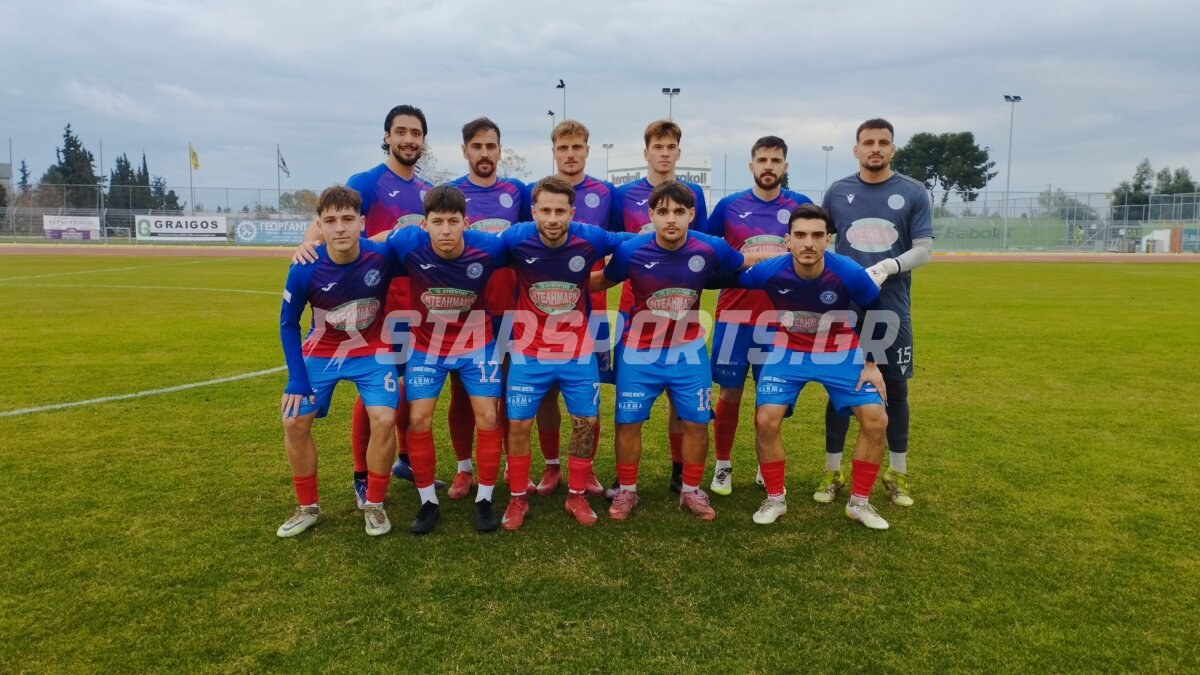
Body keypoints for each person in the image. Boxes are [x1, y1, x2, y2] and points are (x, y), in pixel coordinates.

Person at [299, 104, 437, 503]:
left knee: (407, 387)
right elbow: (328, 219)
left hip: (419, 307)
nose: (408, 139)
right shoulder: (368, 182)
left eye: (415, 133)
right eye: (401, 132)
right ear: (388, 136)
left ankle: (404, 460)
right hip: (378, 309)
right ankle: (362, 475)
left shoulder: (427, 189)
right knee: (373, 392)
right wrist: (307, 247)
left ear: (423, 140)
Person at [732, 204, 892, 530]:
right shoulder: (769, 270)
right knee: (765, 419)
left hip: (840, 350)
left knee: (876, 420)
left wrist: (872, 364)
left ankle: (859, 503)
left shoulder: (848, 272)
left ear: (828, 239)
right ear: (787, 240)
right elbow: (726, 276)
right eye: (801, 235)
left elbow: (877, 310)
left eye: (817, 235)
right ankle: (775, 498)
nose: (809, 243)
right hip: (788, 350)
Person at [592, 181, 743, 521]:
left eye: (679, 211)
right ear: (651, 215)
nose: (671, 218)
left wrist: (792, 258)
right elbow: (601, 281)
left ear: (691, 214)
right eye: (663, 212)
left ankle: (691, 490)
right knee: (628, 422)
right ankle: (627, 490)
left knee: (696, 422)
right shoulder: (631, 250)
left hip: (688, 351)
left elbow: (744, 263)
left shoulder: (711, 247)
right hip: (639, 352)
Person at [497, 176, 630, 529]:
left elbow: (635, 244)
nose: (553, 218)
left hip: (577, 352)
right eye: (545, 211)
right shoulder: (515, 238)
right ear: (533, 212)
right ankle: (517, 499)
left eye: (560, 211)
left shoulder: (590, 237)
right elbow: (475, 249)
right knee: (518, 424)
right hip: (528, 351)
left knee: (585, 423)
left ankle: (576, 495)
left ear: (572, 212)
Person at [377, 185, 511, 534]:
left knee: (488, 416)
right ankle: (428, 503)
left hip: (476, 344)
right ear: (424, 224)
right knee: (418, 419)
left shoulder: (489, 247)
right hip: (428, 347)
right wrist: (314, 242)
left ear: (467, 222)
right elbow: (372, 243)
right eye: (437, 222)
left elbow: (528, 246)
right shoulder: (408, 241)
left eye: (453, 221)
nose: (446, 230)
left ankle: (484, 499)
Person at [819, 118, 934, 507]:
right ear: (856, 149)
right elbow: (819, 237)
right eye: (868, 142)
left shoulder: (912, 192)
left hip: (893, 308)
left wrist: (889, 266)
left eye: (883, 142)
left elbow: (924, 249)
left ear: (892, 149)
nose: (875, 148)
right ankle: (832, 472)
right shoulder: (838, 192)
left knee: (896, 389)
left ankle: (897, 474)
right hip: (845, 309)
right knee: (840, 388)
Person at [277, 185, 401, 538]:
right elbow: (288, 324)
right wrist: (296, 379)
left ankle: (374, 504)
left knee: (384, 419)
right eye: (330, 221)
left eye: (348, 219)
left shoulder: (382, 256)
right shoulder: (304, 267)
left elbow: (416, 243)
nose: (340, 228)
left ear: (362, 222)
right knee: (294, 421)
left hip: (372, 350)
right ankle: (307, 508)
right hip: (322, 351)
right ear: (319, 226)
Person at [705, 136, 813, 496]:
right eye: (762, 160)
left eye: (776, 160)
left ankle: (765, 466)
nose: (769, 166)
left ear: (785, 166)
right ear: (751, 165)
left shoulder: (800, 205)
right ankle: (722, 465)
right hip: (734, 315)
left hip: (782, 320)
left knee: (771, 397)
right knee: (729, 392)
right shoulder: (729, 206)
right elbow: (707, 252)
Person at [609, 120, 709, 495]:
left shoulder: (693, 194)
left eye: (670, 147)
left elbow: (702, 245)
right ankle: (624, 477)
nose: (664, 153)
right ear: (646, 152)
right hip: (634, 309)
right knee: (630, 397)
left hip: (682, 309)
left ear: (678, 153)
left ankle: (680, 470)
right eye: (658, 147)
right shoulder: (623, 195)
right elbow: (614, 244)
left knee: (680, 395)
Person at [526, 120, 620, 496]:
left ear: (587, 150)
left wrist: (600, 280)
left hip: (592, 311)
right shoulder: (538, 192)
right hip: (543, 313)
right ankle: (551, 466)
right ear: (553, 152)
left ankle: (587, 467)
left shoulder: (606, 194)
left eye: (576, 147)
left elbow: (620, 246)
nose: (570, 154)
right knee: (547, 393)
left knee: (590, 394)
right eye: (563, 148)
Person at [444, 118, 532, 499]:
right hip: (466, 312)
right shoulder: (450, 193)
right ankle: (464, 469)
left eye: (490, 146)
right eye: (476, 146)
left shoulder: (518, 192)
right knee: (462, 393)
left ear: (499, 150)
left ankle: (511, 465)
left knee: (510, 390)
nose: (484, 153)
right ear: (464, 150)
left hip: (510, 309)